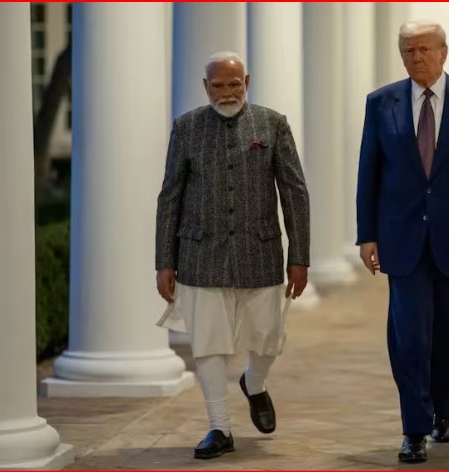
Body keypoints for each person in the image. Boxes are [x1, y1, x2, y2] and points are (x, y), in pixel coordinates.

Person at [356, 21, 449, 463]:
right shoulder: (381, 103)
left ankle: (445, 407)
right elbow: (369, 172)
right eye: (408, 50)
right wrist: (367, 234)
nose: (416, 57)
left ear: (444, 52)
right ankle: (414, 429)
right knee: (409, 337)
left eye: (424, 49)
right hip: (401, 239)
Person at [155, 52, 310, 460]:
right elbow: (170, 195)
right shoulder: (186, 127)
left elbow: (294, 192)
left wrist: (300, 256)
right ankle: (219, 427)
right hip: (200, 252)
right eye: (219, 86)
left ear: (247, 82)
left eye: (234, 84)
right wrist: (164, 261)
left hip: (260, 250)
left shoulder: (272, 124)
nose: (227, 93)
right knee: (208, 343)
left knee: (268, 338)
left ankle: (254, 383)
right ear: (205, 87)